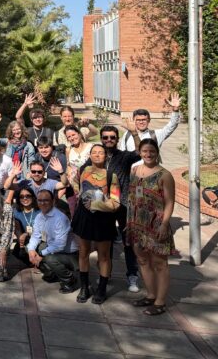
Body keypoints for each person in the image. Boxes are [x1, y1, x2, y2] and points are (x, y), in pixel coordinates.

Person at [126, 139, 176, 316]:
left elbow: (170, 202)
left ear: (157, 152)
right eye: (145, 151)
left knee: (159, 263)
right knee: (143, 260)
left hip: (156, 224)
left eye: (152, 152)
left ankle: (160, 302)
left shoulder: (165, 175)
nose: (148, 155)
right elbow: (133, 197)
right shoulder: (135, 170)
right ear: (140, 152)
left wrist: (164, 224)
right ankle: (150, 295)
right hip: (137, 223)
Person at [71, 144, 121, 304]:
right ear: (90, 155)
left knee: (104, 255)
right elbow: (76, 188)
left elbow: (116, 202)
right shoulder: (83, 171)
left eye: (101, 153)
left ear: (105, 156)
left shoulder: (111, 176)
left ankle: (102, 288)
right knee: (83, 252)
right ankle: (84, 287)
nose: (98, 155)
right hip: (84, 217)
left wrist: (97, 205)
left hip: (103, 219)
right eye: (94, 153)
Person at [97, 125, 143, 293]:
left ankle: (132, 275)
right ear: (101, 138)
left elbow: (140, 152)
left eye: (112, 137)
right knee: (105, 242)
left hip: (123, 204)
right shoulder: (97, 156)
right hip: (103, 205)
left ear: (117, 139)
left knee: (128, 241)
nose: (108, 140)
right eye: (105, 137)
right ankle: (105, 273)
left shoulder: (123, 156)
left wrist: (134, 132)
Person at [27, 189, 80, 293]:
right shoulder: (39, 217)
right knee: (30, 247)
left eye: (46, 200)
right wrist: (31, 250)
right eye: (40, 200)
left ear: (53, 201)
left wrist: (41, 254)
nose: (42, 203)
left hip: (70, 255)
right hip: (55, 250)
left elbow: (59, 245)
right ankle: (52, 274)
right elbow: (35, 236)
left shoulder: (60, 218)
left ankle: (69, 280)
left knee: (49, 257)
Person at [12, 187, 38, 266]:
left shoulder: (39, 210)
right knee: (17, 252)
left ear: (33, 197)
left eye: (28, 196)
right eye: (21, 197)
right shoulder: (16, 211)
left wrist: (27, 233)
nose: (25, 198)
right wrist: (20, 237)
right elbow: (16, 227)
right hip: (25, 240)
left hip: (39, 239)